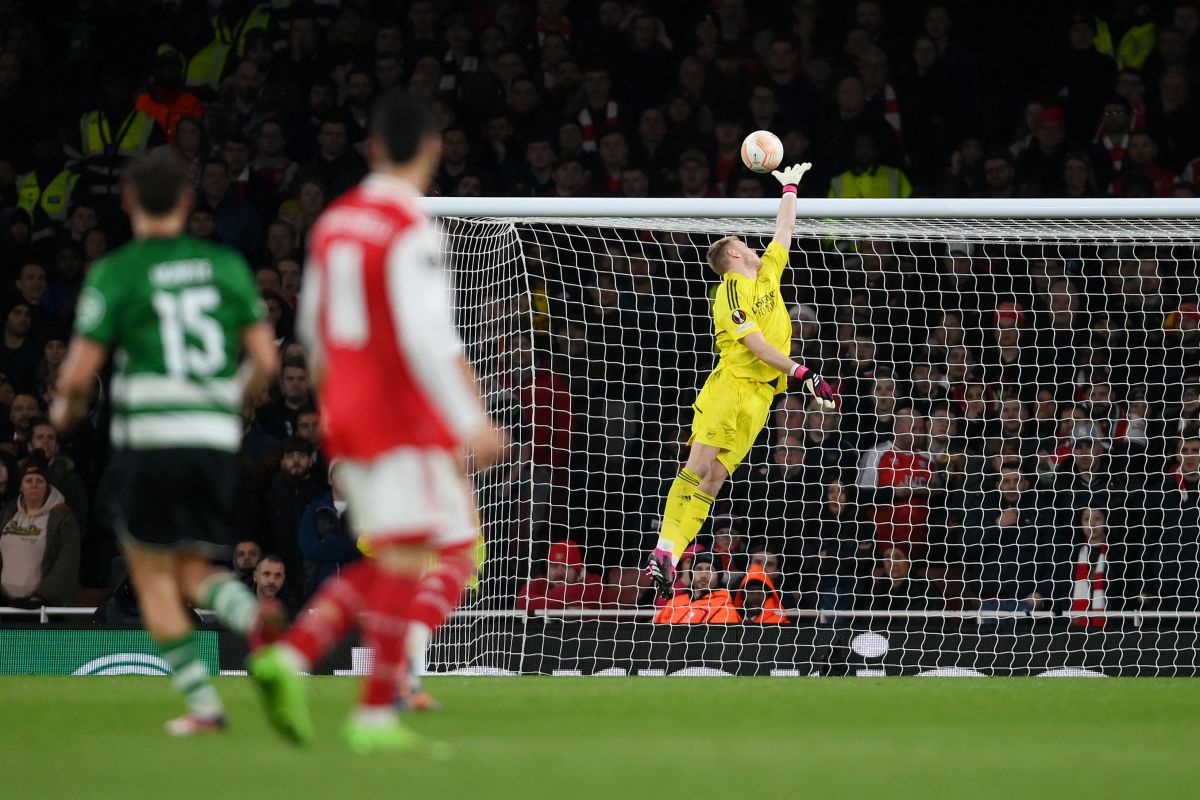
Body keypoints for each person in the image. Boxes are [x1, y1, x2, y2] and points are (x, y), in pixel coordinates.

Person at [249, 90, 504, 754]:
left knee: (411, 553)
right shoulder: (410, 228)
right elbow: (430, 338)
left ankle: (374, 699)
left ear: (368, 149)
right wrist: (472, 419)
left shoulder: (333, 223)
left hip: (347, 411)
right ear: (432, 150)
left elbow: (309, 327)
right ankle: (316, 660)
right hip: (400, 412)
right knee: (449, 551)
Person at [50, 147, 281, 736]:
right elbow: (264, 360)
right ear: (186, 201)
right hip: (210, 438)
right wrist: (228, 403)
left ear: (127, 201)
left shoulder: (117, 271)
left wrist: (65, 408)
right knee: (186, 567)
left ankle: (205, 705)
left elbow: (77, 379)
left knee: (151, 574)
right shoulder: (226, 265)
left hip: (152, 438)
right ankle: (250, 615)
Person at [645, 162, 834, 598]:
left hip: (761, 398)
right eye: (743, 244)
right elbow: (752, 344)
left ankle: (672, 555)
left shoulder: (767, 274)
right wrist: (800, 370)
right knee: (696, 467)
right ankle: (664, 547)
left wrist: (790, 187)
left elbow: (784, 231)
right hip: (731, 386)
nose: (751, 246)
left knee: (714, 481)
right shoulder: (730, 287)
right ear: (732, 254)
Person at [0, 459, 80, 607]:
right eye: (28, 480)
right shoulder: (8, 514)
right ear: (20, 486)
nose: (34, 485)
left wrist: (41, 596)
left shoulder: (63, 517)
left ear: (47, 487)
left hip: (44, 607)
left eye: (40, 481)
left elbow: (67, 563)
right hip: (4, 606)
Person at [653, 553, 741, 624]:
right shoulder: (674, 604)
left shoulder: (727, 610)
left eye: (709, 569)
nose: (703, 575)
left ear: (719, 575)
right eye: (698, 569)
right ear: (691, 574)